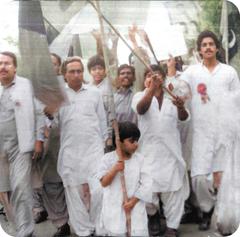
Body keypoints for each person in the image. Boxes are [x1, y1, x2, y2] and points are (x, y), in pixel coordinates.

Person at [181, 30, 240, 231]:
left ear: (216, 48)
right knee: (199, 178)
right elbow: (179, 90)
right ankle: (207, 209)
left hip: (224, 132)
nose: (207, 47)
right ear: (199, 49)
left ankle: (224, 217)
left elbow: (237, 102)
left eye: (211, 44)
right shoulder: (191, 72)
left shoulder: (229, 72)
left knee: (223, 176)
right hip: (201, 133)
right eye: (204, 45)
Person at [47, 56, 108, 236]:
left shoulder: (94, 92)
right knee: (75, 193)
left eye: (79, 71)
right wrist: (49, 115)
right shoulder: (58, 96)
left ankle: (98, 227)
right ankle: (83, 231)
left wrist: (105, 143)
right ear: (64, 75)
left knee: (98, 191)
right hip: (70, 151)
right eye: (72, 71)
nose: (76, 74)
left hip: (94, 149)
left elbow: (102, 121)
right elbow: (53, 125)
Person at [132, 65, 189, 237]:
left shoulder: (173, 97)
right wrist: (151, 90)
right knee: (147, 190)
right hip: (147, 152)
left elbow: (184, 118)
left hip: (170, 152)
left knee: (172, 191)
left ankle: (172, 226)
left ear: (163, 78)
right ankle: (154, 216)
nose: (153, 78)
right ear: (145, 80)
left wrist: (180, 106)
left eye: (156, 75)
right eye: (148, 76)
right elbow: (141, 109)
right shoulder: (139, 96)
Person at [0, 51, 36, 237]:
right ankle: (19, 228)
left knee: (21, 188)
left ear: (15, 67)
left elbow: (38, 112)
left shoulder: (25, 85)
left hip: (20, 147)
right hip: (1, 151)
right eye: (0, 63)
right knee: (4, 192)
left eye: (7, 63)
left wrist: (39, 140)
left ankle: (26, 231)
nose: (3, 67)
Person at [96, 121, 152, 236]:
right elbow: (104, 183)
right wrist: (115, 169)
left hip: (135, 207)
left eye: (137, 140)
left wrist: (132, 202)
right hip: (114, 208)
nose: (136, 144)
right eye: (132, 141)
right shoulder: (107, 159)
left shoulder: (140, 159)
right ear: (119, 142)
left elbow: (147, 184)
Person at [39, 53, 70, 237]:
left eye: (54, 64)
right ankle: (62, 224)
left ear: (59, 67)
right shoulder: (35, 90)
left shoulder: (67, 89)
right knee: (51, 185)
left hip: (65, 140)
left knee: (71, 184)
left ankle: (80, 223)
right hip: (44, 145)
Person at [87, 54, 115, 152]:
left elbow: (111, 113)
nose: (97, 71)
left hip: (107, 133)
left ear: (105, 70)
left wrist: (109, 137)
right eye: (94, 69)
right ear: (90, 71)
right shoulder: (87, 88)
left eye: (100, 68)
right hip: (92, 133)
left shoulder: (110, 87)